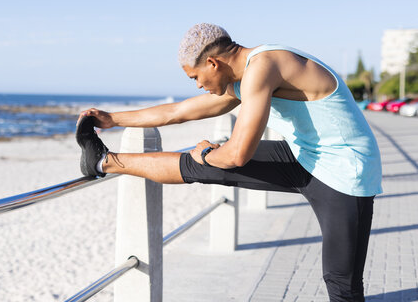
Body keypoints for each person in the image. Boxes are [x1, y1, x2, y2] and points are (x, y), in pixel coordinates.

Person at [76, 23, 382, 302]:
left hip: (345, 173)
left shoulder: (265, 66)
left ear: (212, 63)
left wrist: (208, 153)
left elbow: (237, 154)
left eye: (195, 77)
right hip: (305, 156)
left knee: (341, 282)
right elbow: (180, 112)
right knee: (202, 165)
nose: (196, 85)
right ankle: (103, 161)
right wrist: (112, 119)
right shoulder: (245, 76)